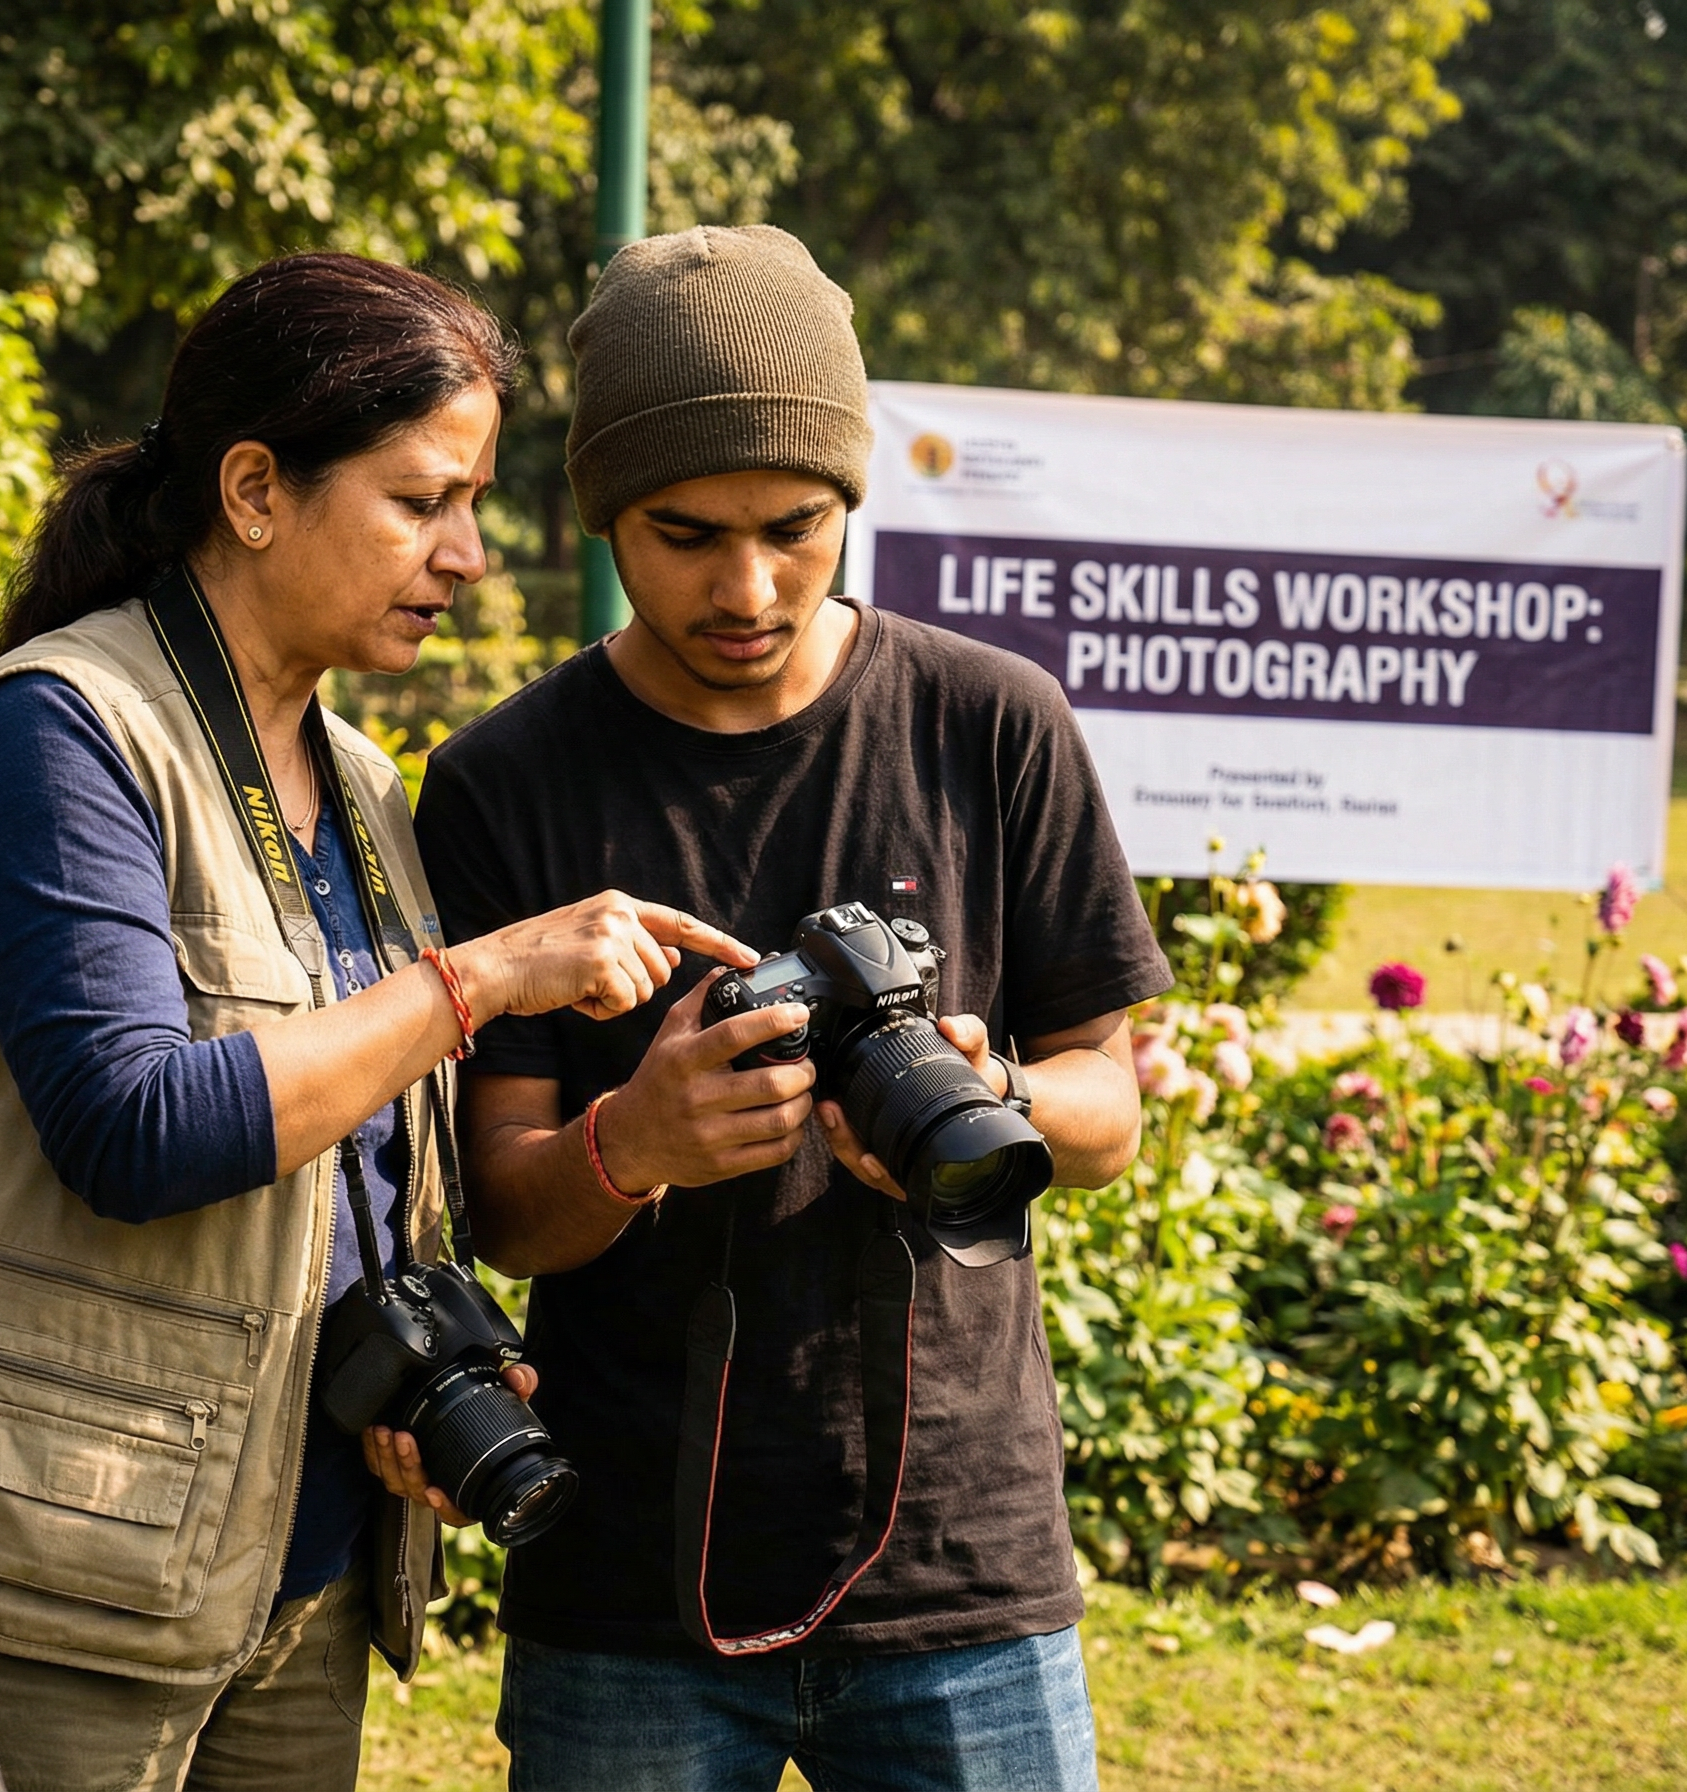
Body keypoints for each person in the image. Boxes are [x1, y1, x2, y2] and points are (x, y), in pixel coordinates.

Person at [0, 252, 747, 1792]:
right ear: (254, 489)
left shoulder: (367, 786)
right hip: (42, 1584)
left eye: (475, 503)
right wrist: (480, 982)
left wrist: (414, 1366)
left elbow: (356, 1160)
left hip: (288, 1575)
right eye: (420, 501)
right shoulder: (65, 734)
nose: (468, 557)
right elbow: (136, 1128)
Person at [409, 225, 1175, 1791]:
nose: (745, 586)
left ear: (851, 499)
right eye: (683, 533)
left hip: (962, 1565)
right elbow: (504, 1210)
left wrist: (999, 1094)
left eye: (797, 526)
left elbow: (1113, 1105)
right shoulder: (506, 781)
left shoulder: (988, 723)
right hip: (630, 1575)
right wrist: (637, 1142)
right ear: (604, 513)